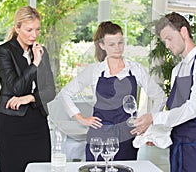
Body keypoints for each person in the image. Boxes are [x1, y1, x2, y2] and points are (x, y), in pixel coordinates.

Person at [56, 21, 166, 161]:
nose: (118, 48)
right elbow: (65, 94)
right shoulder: (95, 71)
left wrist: (148, 121)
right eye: (112, 44)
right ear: (102, 45)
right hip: (98, 136)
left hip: (127, 136)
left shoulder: (136, 69)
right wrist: (81, 119)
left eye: (120, 43)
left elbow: (160, 97)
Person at [131, 12, 196, 172]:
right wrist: (156, 133)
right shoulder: (177, 70)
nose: (166, 45)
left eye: (169, 38)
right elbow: (176, 113)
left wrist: (153, 118)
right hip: (177, 143)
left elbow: (193, 109)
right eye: (164, 41)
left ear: (184, 32)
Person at [0, 6, 56, 172]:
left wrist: (30, 98)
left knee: (41, 168)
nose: (34, 35)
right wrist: (35, 63)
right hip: (11, 122)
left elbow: (50, 90)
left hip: (37, 121)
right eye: (29, 30)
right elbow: (15, 87)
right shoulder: (3, 51)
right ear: (17, 28)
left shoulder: (42, 51)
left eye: (37, 29)